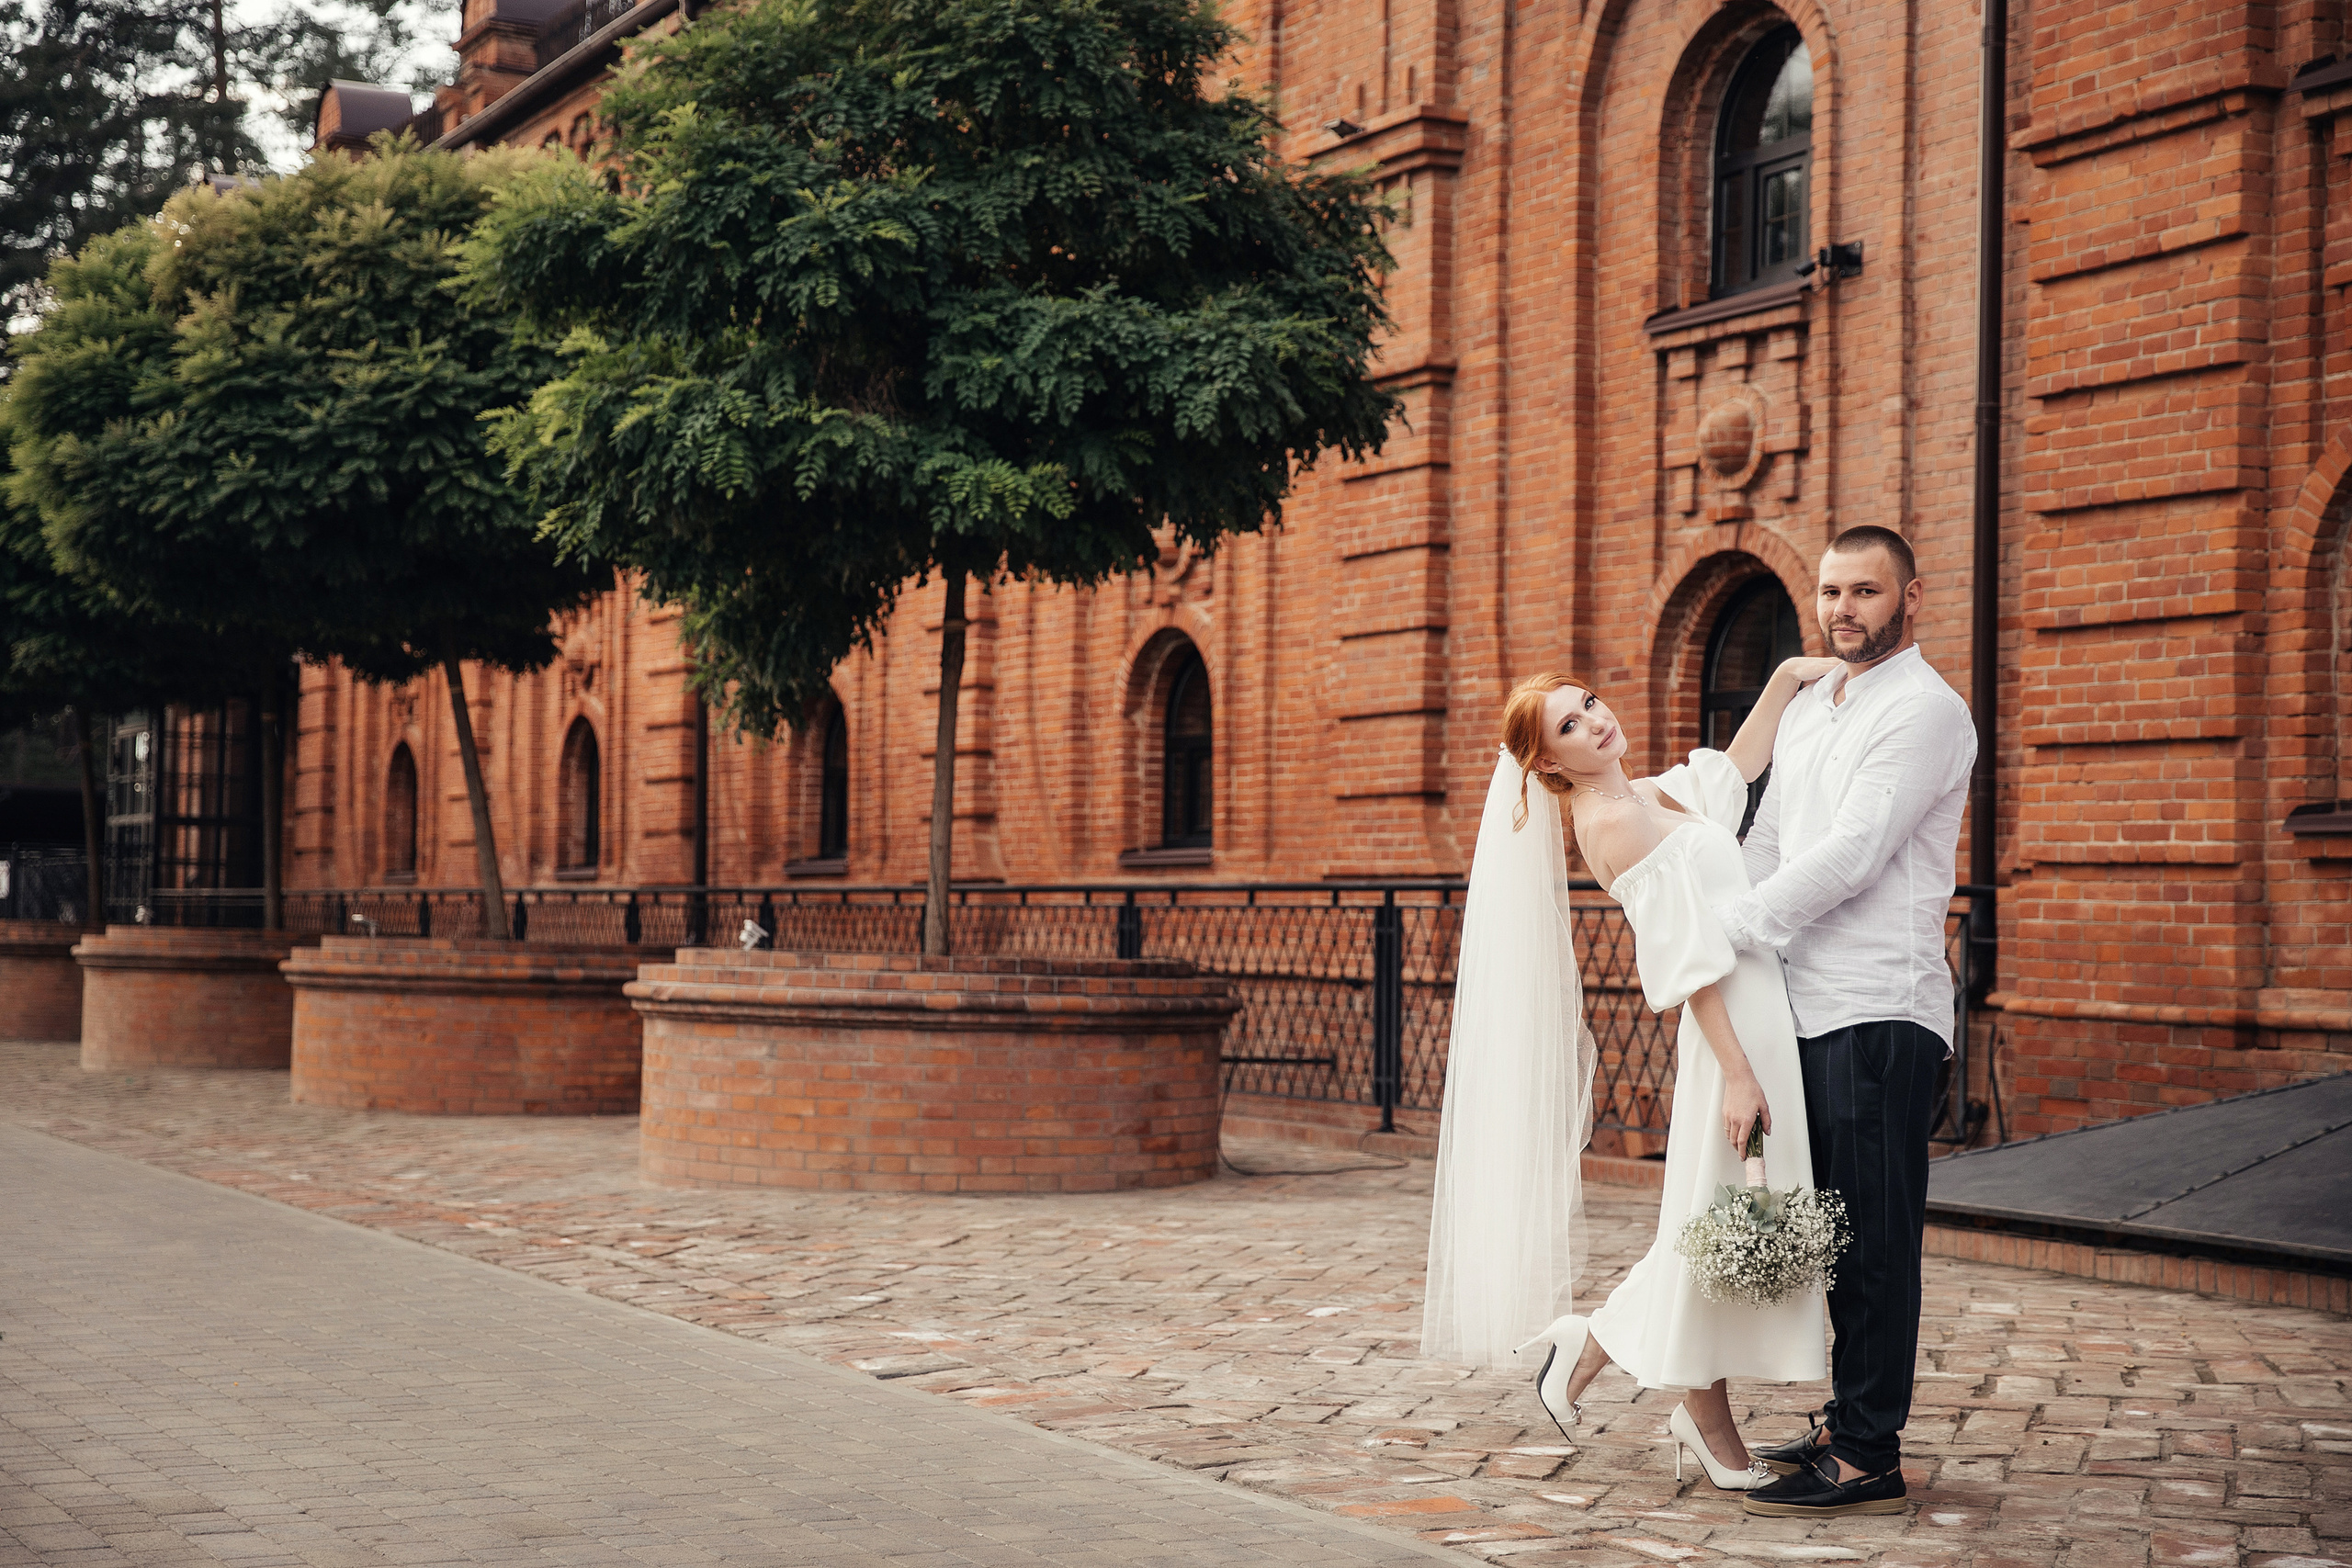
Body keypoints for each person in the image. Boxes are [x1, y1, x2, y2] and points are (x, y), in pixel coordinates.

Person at [1422, 648, 1838, 1494]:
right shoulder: (1612, 823)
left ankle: (1591, 1345)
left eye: (1591, 702)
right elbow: (1686, 961)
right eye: (1569, 725)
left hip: (1760, 1019)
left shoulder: (1641, 792)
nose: (1596, 720)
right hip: (1731, 1034)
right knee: (1712, 1222)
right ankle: (1704, 1418)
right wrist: (1737, 1073)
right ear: (1546, 763)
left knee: (1707, 1219)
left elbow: (1733, 769)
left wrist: (1784, 677)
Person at [1720, 525, 1977, 1519]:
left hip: (1880, 1005)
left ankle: (1869, 1449)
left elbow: (1859, 851)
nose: (1841, 610)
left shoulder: (1924, 710)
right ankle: (1846, 1416)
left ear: (1911, 597)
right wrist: (1737, 930)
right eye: (1828, 591)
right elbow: (1776, 836)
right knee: (1831, 1231)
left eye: (1864, 592)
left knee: (1872, 1238)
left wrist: (1732, 927)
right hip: (1802, 1003)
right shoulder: (1816, 704)